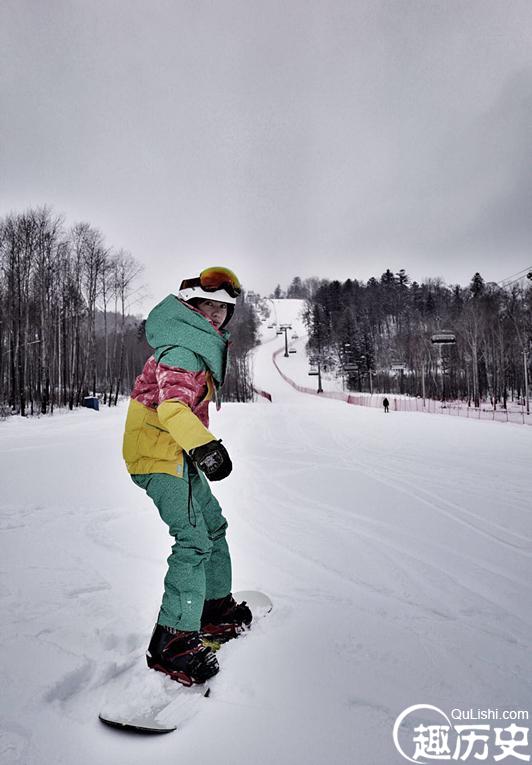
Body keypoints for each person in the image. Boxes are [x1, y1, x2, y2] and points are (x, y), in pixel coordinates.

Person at [122, 266, 252, 686]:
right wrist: (207, 447)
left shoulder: (195, 347)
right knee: (194, 537)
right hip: (159, 455)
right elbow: (172, 408)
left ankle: (213, 608)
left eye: (223, 309)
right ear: (190, 307)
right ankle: (173, 641)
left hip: (175, 452)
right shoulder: (180, 348)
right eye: (209, 306)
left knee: (212, 526)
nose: (216, 315)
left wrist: (197, 447)